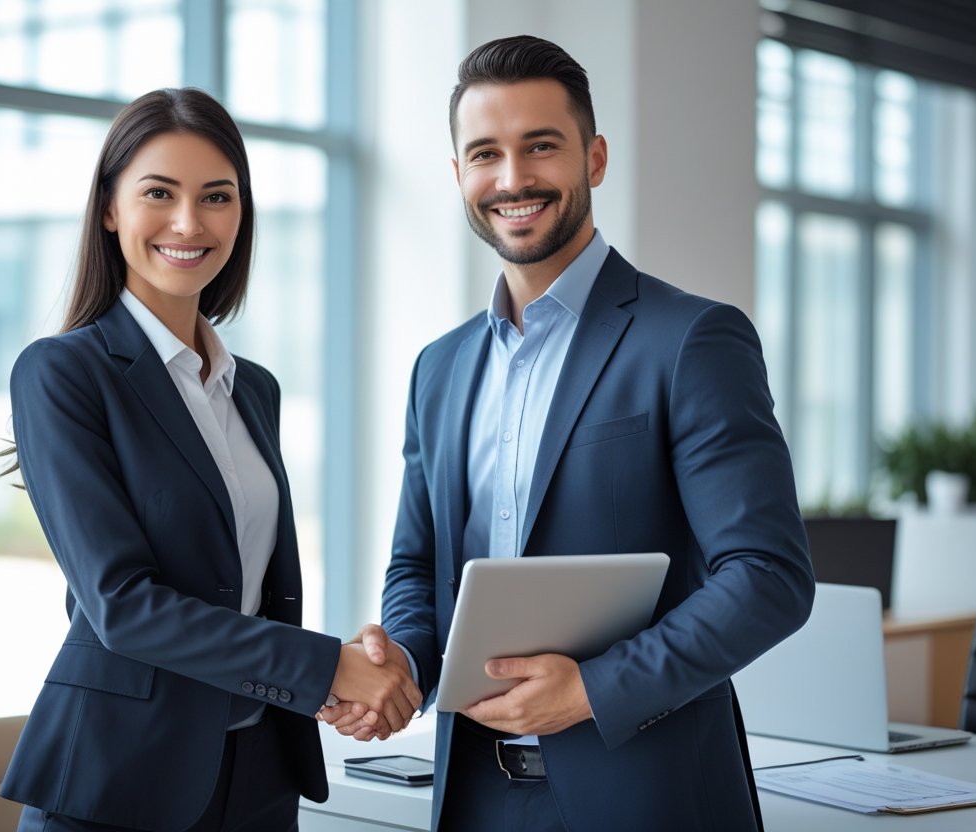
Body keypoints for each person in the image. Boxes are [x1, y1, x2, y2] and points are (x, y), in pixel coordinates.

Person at [320, 35, 814, 831]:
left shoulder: (691, 340)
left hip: (648, 796)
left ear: (595, 157)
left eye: (540, 147)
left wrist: (591, 690)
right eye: (486, 153)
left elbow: (769, 578)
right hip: (473, 792)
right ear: (458, 176)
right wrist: (403, 664)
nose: (512, 178)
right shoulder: (439, 369)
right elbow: (418, 567)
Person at [0, 87, 421, 832]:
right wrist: (325, 666)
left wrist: (327, 678)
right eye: (158, 193)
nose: (189, 223)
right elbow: (123, 605)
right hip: (120, 781)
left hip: (257, 776)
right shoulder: (62, 373)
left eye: (217, 197)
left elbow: (246, 591)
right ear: (109, 209)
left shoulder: (252, 389)